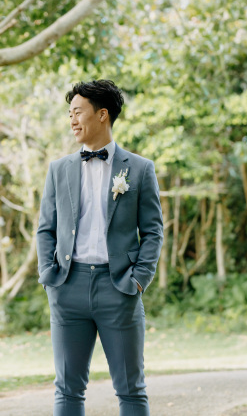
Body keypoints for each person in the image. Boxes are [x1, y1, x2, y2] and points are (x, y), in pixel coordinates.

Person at [36, 80, 163, 416]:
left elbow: (153, 231)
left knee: (131, 390)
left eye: (77, 112)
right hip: (67, 287)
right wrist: (49, 275)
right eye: (70, 114)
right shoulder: (58, 169)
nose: (72, 120)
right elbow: (45, 229)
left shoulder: (139, 169)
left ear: (102, 115)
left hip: (119, 288)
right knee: (67, 390)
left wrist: (138, 279)